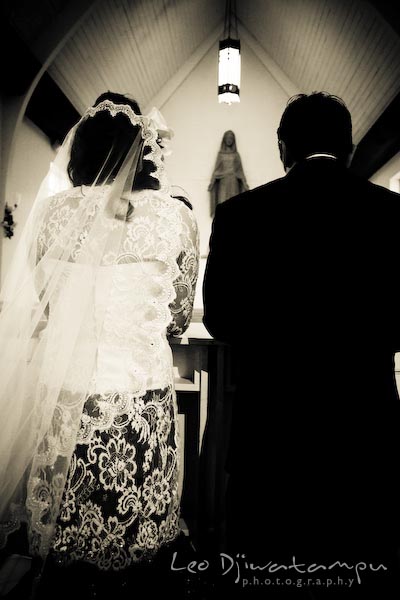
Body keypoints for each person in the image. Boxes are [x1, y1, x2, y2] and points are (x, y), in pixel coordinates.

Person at [0, 91, 199, 598]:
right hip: (138, 407)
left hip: (64, 401)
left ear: (80, 151)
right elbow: (176, 317)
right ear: (142, 150)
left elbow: (45, 305)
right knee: (134, 550)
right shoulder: (175, 217)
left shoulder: (51, 216)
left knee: (65, 550)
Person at [203, 92, 400, 598]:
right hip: (364, 434)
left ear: (282, 147)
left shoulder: (241, 215)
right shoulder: (392, 213)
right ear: (350, 149)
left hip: (271, 434)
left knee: (267, 570)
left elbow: (222, 318)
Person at [208, 130, 249, 215]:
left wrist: (244, 183)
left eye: (231, 138)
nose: (229, 140)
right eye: (227, 138)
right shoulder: (220, 154)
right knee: (222, 201)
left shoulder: (236, 155)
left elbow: (240, 171)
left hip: (234, 182)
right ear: (224, 139)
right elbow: (216, 170)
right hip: (223, 182)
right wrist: (212, 182)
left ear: (233, 140)